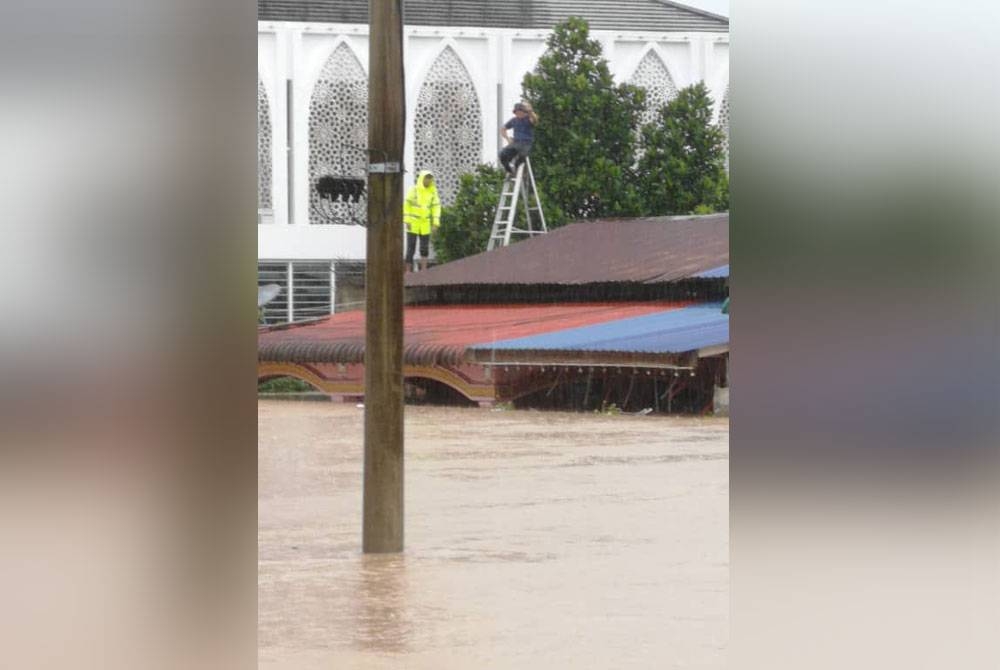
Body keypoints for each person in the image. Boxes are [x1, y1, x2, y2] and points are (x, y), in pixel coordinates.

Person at [403, 170, 441, 272]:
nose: (428, 180)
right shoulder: (414, 190)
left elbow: (436, 207)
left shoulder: (433, 191)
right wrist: (407, 220)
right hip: (413, 223)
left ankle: (424, 270)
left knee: (424, 248)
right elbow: (407, 204)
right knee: (411, 247)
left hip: (425, 224)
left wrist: (435, 223)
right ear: (422, 178)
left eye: (430, 178)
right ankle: (408, 271)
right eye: (426, 178)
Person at [499, 101, 538, 176]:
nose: (518, 114)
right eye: (517, 112)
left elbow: (535, 120)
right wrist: (507, 138)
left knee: (523, 155)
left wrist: (530, 110)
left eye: (520, 112)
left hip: (526, 143)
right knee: (502, 154)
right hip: (516, 142)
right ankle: (510, 170)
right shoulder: (514, 120)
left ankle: (516, 168)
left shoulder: (528, 119)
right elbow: (503, 129)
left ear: (523, 112)